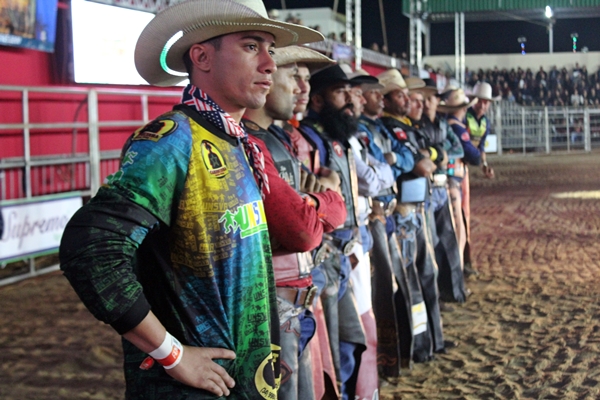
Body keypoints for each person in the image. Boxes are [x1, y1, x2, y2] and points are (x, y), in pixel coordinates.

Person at [58, 1, 324, 398]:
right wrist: (171, 353)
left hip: (239, 380)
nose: (270, 62)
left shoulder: (236, 142)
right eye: (252, 46)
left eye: (270, 48)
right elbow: (91, 248)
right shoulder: (172, 140)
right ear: (201, 56)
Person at [242, 45, 347, 400]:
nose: (303, 88)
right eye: (294, 77)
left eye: (306, 79)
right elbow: (302, 230)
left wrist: (318, 200)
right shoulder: (250, 143)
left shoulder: (284, 139)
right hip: (275, 301)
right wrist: (325, 199)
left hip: (298, 297)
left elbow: (336, 206)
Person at [301, 64, 366, 400]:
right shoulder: (311, 139)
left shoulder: (335, 137)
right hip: (325, 255)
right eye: (340, 92)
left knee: (347, 340)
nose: (350, 100)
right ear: (318, 100)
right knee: (334, 344)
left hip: (341, 252)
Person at [355, 71, 415, 383]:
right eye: (375, 94)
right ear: (361, 96)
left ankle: (394, 357)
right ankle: (386, 362)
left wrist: (389, 165)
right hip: (374, 216)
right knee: (380, 292)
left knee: (389, 287)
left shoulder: (376, 128)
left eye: (382, 93)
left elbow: (405, 157)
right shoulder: (361, 130)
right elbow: (373, 177)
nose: (380, 99)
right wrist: (390, 165)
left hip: (384, 212)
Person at [463, 82, 496, 277]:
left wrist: (483, 164)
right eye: (480, 101)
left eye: (485, 102)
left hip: (465, 166)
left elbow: (481, 148)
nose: (482, 105)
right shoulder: (471, 118)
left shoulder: (484, 122)